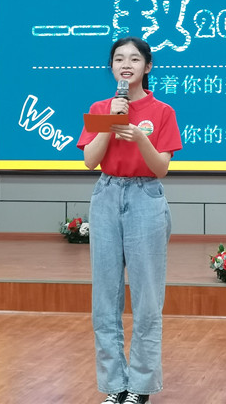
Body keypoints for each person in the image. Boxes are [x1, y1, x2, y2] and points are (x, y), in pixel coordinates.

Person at [76, 36, 182, 404]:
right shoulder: (100, 108)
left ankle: (140, 386)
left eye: (134, 59)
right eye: (119, 59)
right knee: (105, 298)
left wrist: (139, 138)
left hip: (145, 197)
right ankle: (114, 385)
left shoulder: (162, 111)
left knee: (147, 298)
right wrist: (109, 122)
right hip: (107, 195)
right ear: (111, 67)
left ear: (147, 66)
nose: (126, 65)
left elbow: (161, 168)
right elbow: (90, 161)